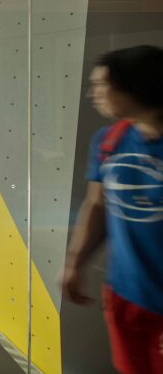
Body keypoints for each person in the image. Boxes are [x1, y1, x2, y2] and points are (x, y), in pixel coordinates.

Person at [62, 45, 163, 374]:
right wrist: (75, 263)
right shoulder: (109, 140)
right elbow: (97, 205)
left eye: (102, 85)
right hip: (124, 295)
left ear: (137, 86)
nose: (92, 93)